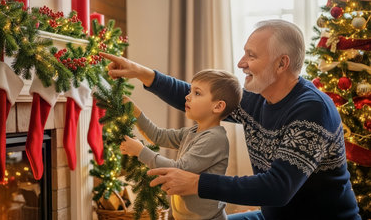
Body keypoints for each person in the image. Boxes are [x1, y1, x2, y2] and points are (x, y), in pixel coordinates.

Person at [100, 19, 361, 220]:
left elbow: (278, 188)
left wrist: (196, 183)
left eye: (251, 55)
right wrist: (142, 73)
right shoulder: (259, 98)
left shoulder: (312, 110)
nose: (240, 63)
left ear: (282, 64)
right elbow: (201, 99)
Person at [120, 69, 242, 220]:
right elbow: (159, 136)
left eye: (197, 93)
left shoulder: (214, 139)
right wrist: (136, 113)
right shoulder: (192, 132)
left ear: (217, 106)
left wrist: (140, 151)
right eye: (190, 91)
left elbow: (178, 170)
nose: (187, 96)